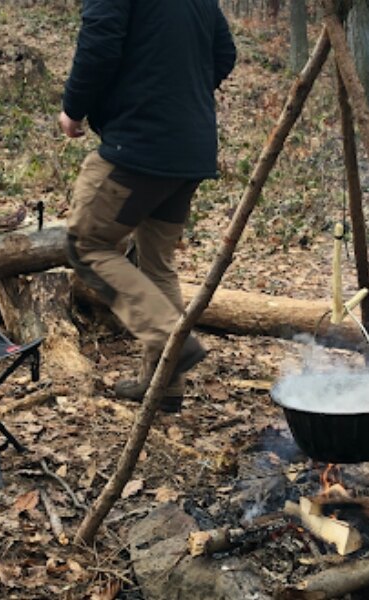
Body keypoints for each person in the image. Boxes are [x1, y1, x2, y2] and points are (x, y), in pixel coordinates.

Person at [59, 0, 236, 411]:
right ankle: (164, 385)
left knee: (86, 245)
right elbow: (225, 54)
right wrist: (181, 95)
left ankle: (171, 337)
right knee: (157, 265)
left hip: (140, 147)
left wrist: (73, 108)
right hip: (189, 148)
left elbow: (99, 44)